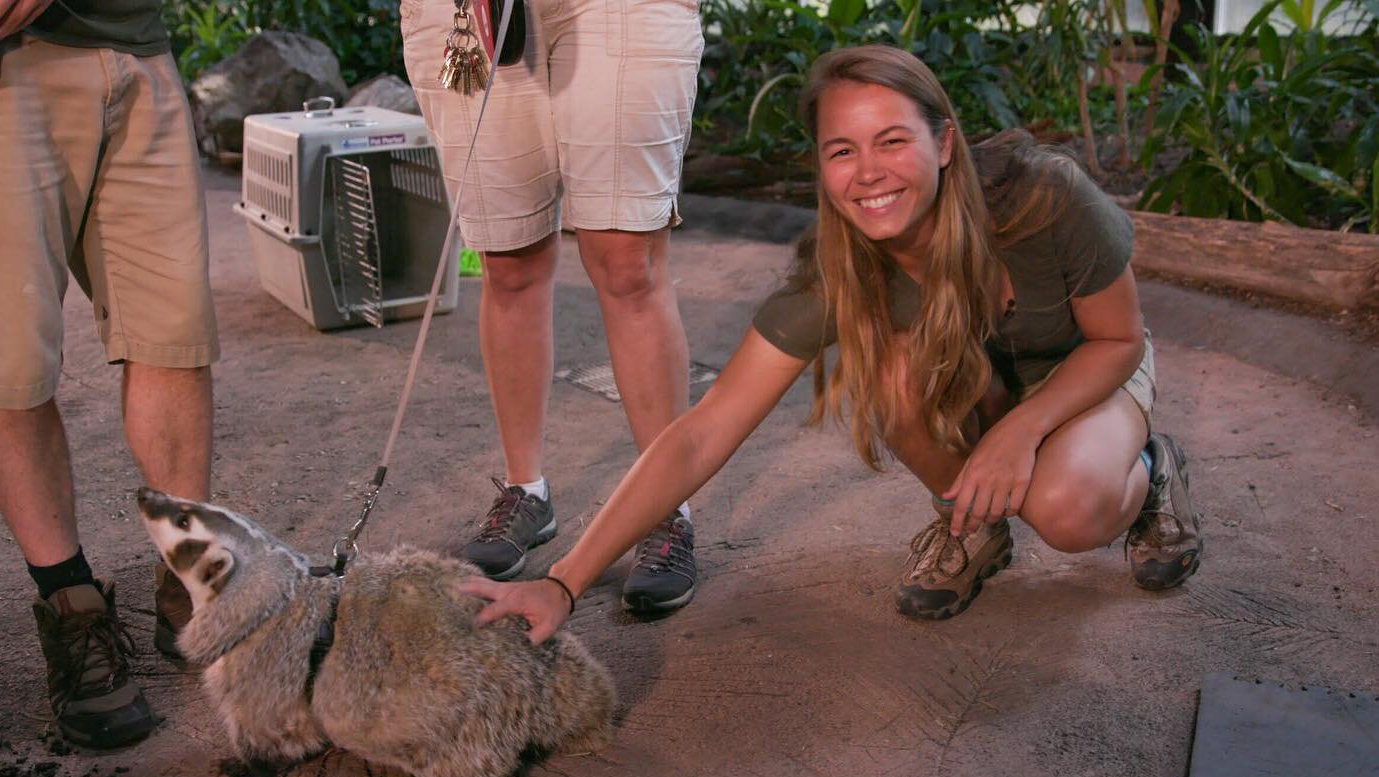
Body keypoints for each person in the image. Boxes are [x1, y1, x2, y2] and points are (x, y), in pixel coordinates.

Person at [460, 44, 1204, 643]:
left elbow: (1117, 340)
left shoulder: (1044, 198)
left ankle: (1149, 468)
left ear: (943, 142)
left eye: (891, 141)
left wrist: (1021, 429)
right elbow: (702, 433)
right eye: (842, 151)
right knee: (891, 371)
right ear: (821, 165)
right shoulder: (838, 271)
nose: (868, 173)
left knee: (1069, 509)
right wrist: (564, 580)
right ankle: (970, 527)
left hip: (1085, 375)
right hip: (978, 383)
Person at [0, 0, 218, 748]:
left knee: (175, 333)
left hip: (135, 41)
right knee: (11, 360)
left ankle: (190, 575)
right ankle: (71, 604)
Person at [399, 0, 704, 611]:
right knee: (507, 264)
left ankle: (665, 510)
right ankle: (526, 491)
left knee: (627, 263)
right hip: (466, 12)